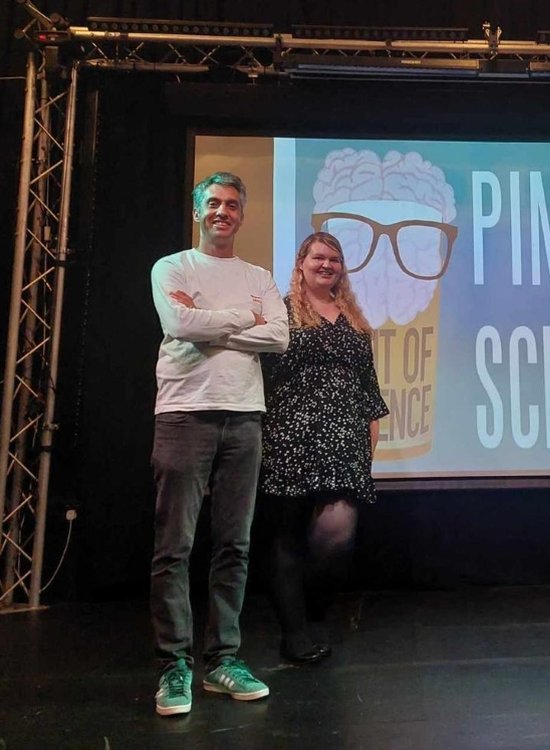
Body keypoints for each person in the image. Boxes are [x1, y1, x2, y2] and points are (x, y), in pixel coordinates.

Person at [149, 172, 289, 716]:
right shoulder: (173, 267)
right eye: (213, 203)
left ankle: (223, 659)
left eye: (232, 204)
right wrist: (241, 319)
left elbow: (278, 336)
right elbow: (177, 321)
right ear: (197, 209)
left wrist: (210, 325)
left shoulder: (258, 275)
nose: (222, 211)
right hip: (185, 415)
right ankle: (174, 667)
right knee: (174, 548)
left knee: (234, 545)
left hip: (245, 418)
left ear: (242, 214)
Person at [258, 231, 389, 663]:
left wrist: (368, 448)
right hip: (288, 438)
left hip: (344, 443)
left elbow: (369, 392)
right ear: (301, 263)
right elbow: (259, 379)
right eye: (318, 258)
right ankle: (294, 632)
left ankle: (314, 614)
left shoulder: (354, 320)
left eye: (335, 259)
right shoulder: (281, 315)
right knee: (287, 538)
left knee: (336, 535)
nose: (327, 265)